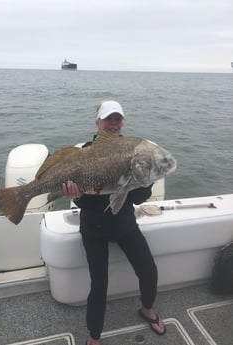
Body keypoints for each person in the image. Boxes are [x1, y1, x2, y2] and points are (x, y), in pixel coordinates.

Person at [62, 100, 166, 345]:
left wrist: (145, 179)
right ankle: (93, 336)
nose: (113, 123)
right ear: (97, 122)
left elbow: (139, 198)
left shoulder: (136, 151)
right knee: (99, 284)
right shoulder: (85, 152)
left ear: (123, 123)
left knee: (149, 270)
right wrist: (76, 195)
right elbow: (86, 205)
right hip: (93, 228)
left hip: (125, 224)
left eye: (118, 118)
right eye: (108, 118)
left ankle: (147, 309)